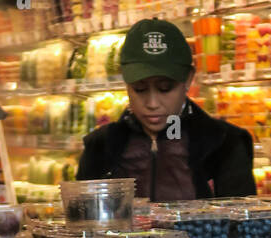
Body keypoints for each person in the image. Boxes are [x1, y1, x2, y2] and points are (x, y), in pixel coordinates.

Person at [76, 18, 256, 201]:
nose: (152, 103)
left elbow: (244, 225)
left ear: (188, 79)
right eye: (140, 89)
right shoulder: (99, 146)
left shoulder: (224, 143)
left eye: (165, 88)